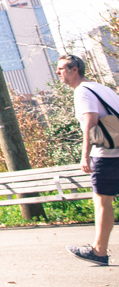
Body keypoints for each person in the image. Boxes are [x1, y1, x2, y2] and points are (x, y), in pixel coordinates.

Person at [57, 53, 118, 265]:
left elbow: (90, 122)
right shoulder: (102, 88)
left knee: (102, 202)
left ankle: (99, 252)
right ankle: (98, 250)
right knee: (103, 201)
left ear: (75, 70)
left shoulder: (82, 91)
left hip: (107, 154)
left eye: (62, 69)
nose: (58, 73)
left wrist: (85, 155)